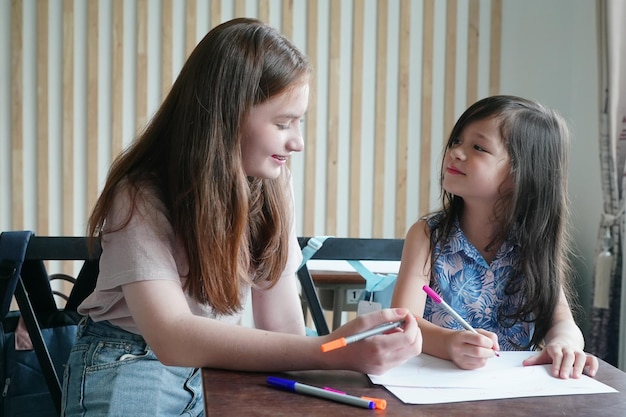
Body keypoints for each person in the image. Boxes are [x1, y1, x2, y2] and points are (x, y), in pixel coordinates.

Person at [61, 18, 421, 417]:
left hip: (214, 367)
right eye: (283, 123)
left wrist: (341, 350)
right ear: (226, 117)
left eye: (299, 122)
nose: (297, 141)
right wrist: (332, 349)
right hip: (129, 361)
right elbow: (172, 337)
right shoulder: (140, 195)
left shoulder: (272, 185)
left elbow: (282, 329)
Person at [391, 95, 598, 380]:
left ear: (520, 175)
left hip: (511, 393)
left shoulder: (533, 245)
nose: (456, 153)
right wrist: (449, 344)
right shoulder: (428, 236)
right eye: (456, 142)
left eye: (478, 147)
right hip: (434, 385)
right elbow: (403, 322)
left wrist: (566, 343)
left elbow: (562, 322)